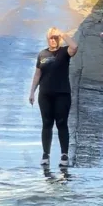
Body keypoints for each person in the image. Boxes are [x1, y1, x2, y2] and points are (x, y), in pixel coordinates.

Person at [29, 27, 78, 167]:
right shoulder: (42, 54)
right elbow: (37, 74)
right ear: (47, 39)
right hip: (45, 94)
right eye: (51, 38)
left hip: (62, 94)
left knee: (61, 123)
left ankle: (64, 155)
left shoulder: (64, 52)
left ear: (59, 39)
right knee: (47, 123)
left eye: (55, 38)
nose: (53, 40)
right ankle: (46, 154)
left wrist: (61, 33)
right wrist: (32, 92)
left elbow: (74, 46)